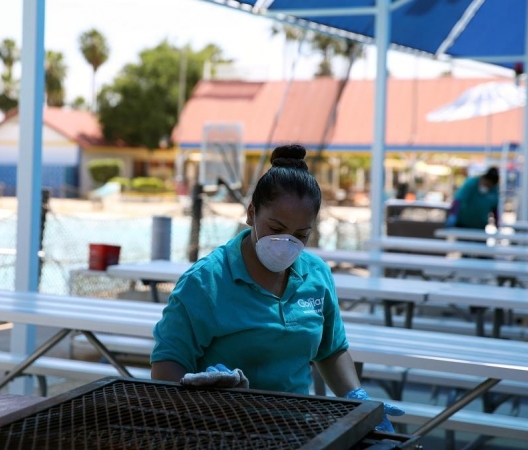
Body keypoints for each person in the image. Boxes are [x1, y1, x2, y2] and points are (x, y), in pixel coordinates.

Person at [150, 144, 404, 432]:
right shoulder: (205, 282)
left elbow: (331, 350)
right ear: (251, 214)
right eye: (275, 228)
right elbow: (165, 367)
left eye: (300, 235)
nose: (286, 242)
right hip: (219, 429)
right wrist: (206, 396)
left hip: (294, 430)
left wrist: (357, 399)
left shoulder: (316, 275)